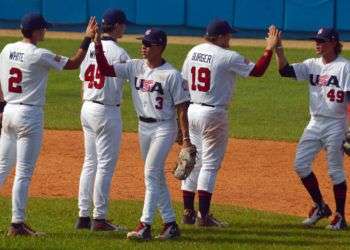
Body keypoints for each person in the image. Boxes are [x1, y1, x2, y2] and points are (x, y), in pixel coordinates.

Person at [0, 13, 96, 236]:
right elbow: (73, 64)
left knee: (2, 167)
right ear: (34, 31)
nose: (45, 31)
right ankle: (17, 224)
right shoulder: (38, 54)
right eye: (43, 28)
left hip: (9, 111)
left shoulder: (6, 49)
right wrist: (87, 39)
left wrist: (1, 106)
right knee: (23, 173)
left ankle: (18, 223)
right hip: (28, 116)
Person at [93, 27, 193, 240]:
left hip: (164, 128)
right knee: (155, 175)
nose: (143, 47)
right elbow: (104, 69)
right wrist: (98, 45)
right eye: (143, 43)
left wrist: (185, 139)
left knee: (150, 173)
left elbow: (182, 108)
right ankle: (170, 224)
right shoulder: (134, 66)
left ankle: (144, 225)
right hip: (143, 127)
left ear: (159, 47)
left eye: (148, 44)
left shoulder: (172, 75)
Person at [180, 20, 279, 227]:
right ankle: (203, 217)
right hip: (213, 115)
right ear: (220, 37)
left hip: (192, 110)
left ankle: (188, 212)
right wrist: (269, 49)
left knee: (193, 161)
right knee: (209, 165)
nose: (230, 39)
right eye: (228, 36)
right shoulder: (227, 56)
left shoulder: (194, 51)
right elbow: (258, 70)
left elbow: (183, 83)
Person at [275, 27, 349, 230]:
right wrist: (278, 48)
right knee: (300, 164)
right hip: (315, 123)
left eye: (322, 41)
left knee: (335, 171)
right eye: (316, 40)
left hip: (336, 123)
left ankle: (340, 217)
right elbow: (284, 71)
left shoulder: (344, 67)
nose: (317, 44)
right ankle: (321, 207)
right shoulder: (311, 64)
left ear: (334, 43)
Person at [75, 9, 130, 232]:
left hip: (87, 107)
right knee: (105, 166)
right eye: (123, 25)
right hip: (107, 111)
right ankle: (100, 218)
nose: (125, 28)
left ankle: (83, 216)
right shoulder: (119, 52)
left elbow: (82, 81)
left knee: (90, 162)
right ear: (116, 26)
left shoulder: (89, 49)